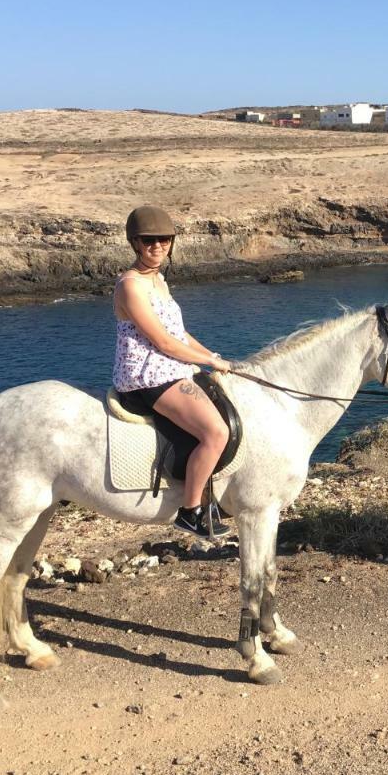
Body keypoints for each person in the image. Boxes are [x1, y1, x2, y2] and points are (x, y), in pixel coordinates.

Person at [113, 205, 234, 536]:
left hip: (171, 369)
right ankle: (191, 511)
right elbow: (163, 342)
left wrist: (210, 354)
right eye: (149, 240)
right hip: (146, 377)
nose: (157, 246)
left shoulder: (160, 281)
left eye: (164, 240)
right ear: (135, 243)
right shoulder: (131, 285)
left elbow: (178, 334)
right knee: (216, 432)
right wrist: (208, 363)